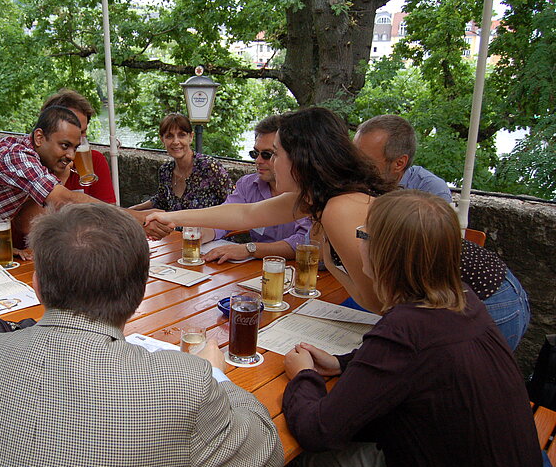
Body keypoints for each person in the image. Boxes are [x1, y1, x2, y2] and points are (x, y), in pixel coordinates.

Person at [0, 203, 284, 467]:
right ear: (140, 292)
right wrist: (216, 374)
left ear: (37, 286)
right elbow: (261, 456)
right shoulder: (184, 385)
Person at [268, 190, 542, 467]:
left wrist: (303, 375)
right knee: (300, 466)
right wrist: (342, 363)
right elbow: (414, 361)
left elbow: (318, 431)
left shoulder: (406, 328)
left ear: (384, 252)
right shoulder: (461, 298)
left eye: (363, 234)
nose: (357, 243)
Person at [147, 107, 395, 313]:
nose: (267, 162)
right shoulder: (317, 199)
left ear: (301, 158)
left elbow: (379, 302)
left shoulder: (339, 209)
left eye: (275, 154)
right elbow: (245, 214)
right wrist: (168, 217)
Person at [0, 106, 169, 268]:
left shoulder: (40, 164)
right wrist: (137, 218)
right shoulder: (16, 156)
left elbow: (26, 219)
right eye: (64, 145)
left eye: (75, 147)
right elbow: (64, 201)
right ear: (39, 137)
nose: (70, 155)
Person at [202, 115, 311, 263]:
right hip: (258, 269)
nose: (258, 161)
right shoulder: (248, 184)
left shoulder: (309, 192)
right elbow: (226, 218)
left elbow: (304, 243)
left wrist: (249, 249)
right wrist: (201, 234)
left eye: (268, 155)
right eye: (255, 153)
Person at [130, 113, 233, 211]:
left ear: (191, 137)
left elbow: (233, 203)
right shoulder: (165, 171)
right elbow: (161, 201)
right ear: (162, 139)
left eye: (181, 135)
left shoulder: (209, 167)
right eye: (169, 136)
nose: (175, 142)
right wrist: (130, 210)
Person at [353, 114, 452, 202]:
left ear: (399, 163)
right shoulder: (353, 182)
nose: (356, 167)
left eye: (365, 162)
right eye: (354, 157)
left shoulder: (432, 191)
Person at [41, 88, 116, 203]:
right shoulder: (30, 165)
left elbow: (109, 211)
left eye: (82, 132)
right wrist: (61, 177)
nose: (79, 140)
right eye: (70, 132)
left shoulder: (95, 160)